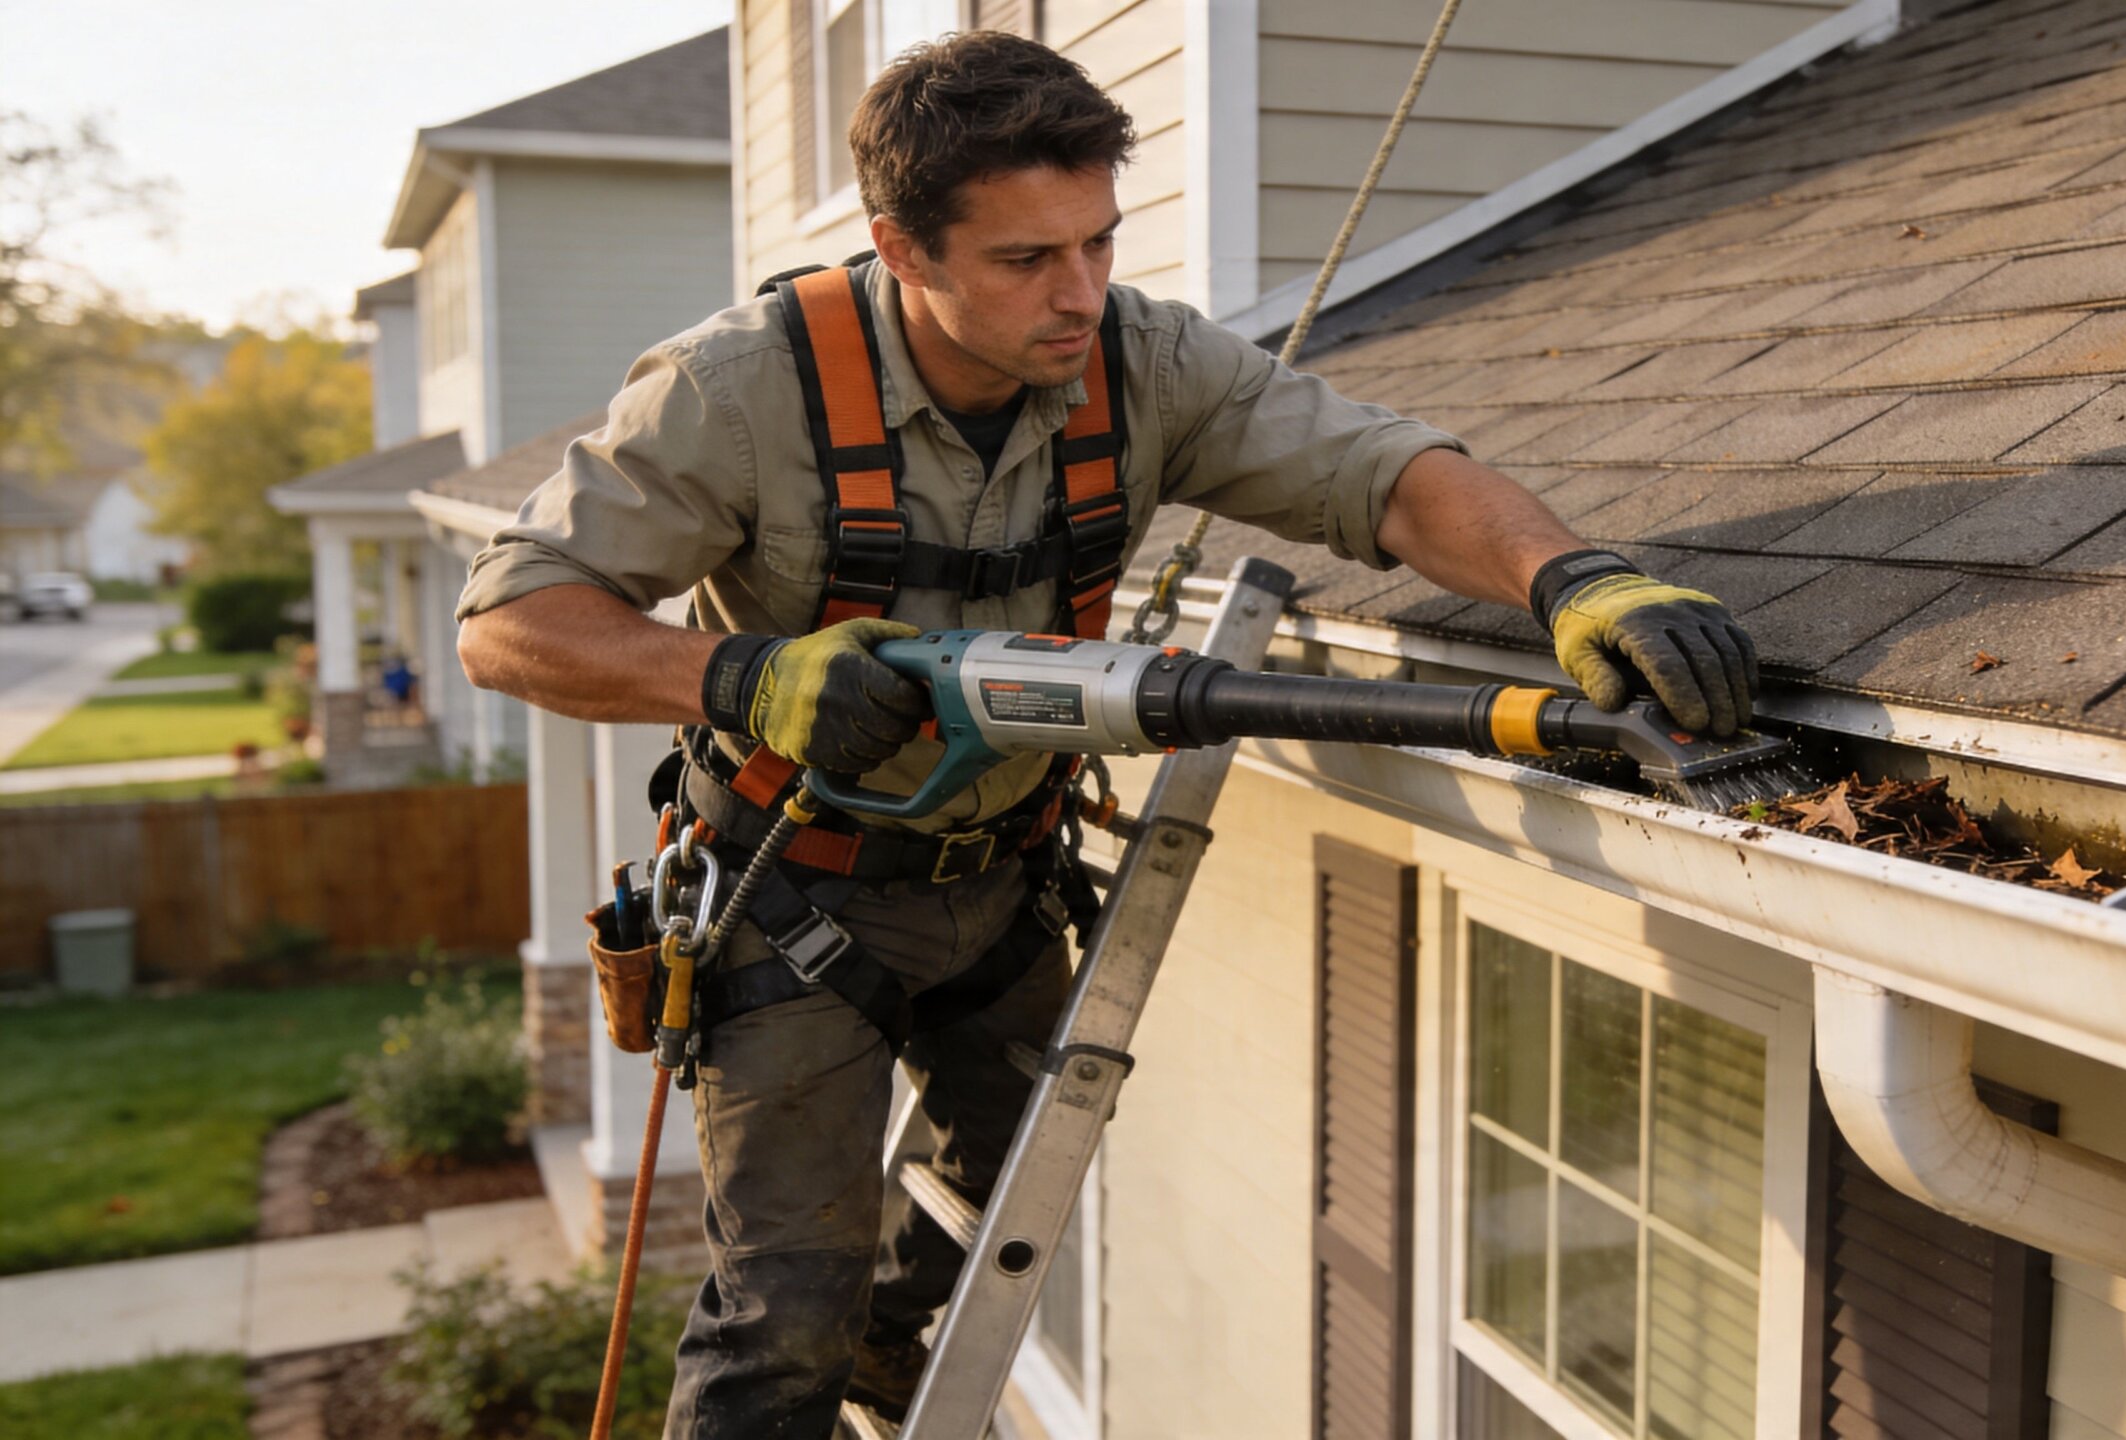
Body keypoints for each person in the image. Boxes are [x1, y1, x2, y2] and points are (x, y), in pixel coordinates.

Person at [453, 30, 1757, 1439]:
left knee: (1007, 1190)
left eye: (1100, 242)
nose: (1081, 293)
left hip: (1002, 880)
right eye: (1027, 260)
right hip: (794, 893)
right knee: (783, 1314)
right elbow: (508, 620)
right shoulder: (740, 392)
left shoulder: (1139, 363)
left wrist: (1573, 576)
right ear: (904, 247)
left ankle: (883, 1371)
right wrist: (740, 676)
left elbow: (1386, 480)